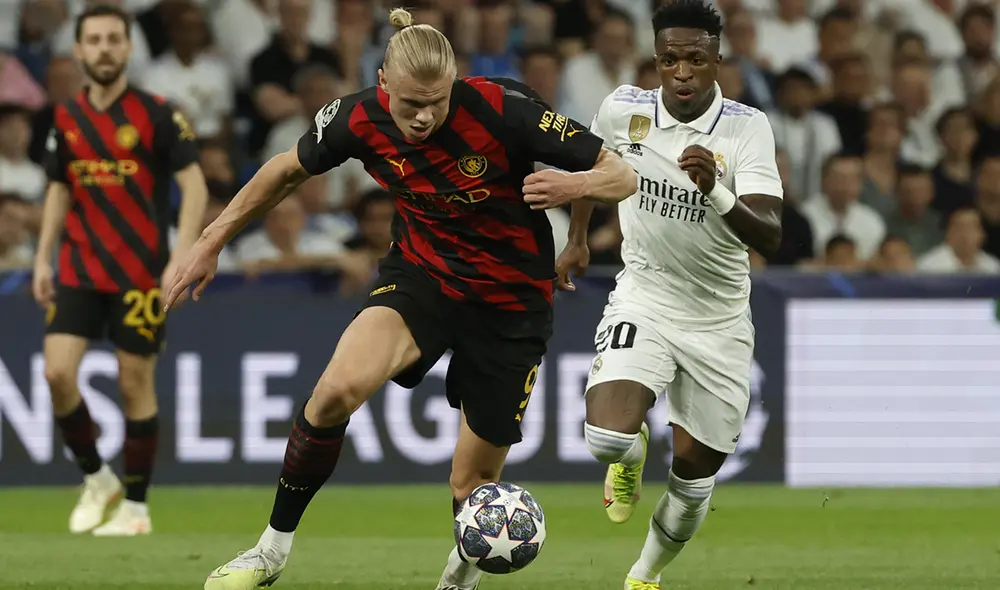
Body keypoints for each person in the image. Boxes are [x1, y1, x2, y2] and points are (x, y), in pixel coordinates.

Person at [161, 8, 637, 590]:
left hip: (512, 301)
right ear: (383, 83)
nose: (422, 116)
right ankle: (270, 551)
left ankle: (457, 582)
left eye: (436, 102)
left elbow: (618, 172)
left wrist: (577, 192)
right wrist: (210, 241)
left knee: (471, 486)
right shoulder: (357, 117)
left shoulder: (504, 109)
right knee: (335, 391)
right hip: (423, 277)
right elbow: (285, 172)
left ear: (454, 83)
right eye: (410, 103)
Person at [556, 2, 783, 589]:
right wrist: (578, 238)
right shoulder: (623, 108)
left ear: (717, 60)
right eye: (669, 60)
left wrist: (718, 192)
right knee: (606, 436)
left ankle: (643, 576)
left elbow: (773, 235)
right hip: (645, 294)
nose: (681, 72)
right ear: (655, 60)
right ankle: (628, 461)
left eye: (695, 59)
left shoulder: (745, 126)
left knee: (691, 479)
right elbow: (593, 166)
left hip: (719, 320)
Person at [32, 4, 208, 536]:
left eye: (114, 38)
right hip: (79, 268)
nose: (105, 48)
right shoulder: (65, 118)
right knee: (57, 373)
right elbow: (59, 188)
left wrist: (182, 254)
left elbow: (195, 185)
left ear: (129, 48)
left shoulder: (159, 113)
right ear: (80, 50)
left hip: (139, 273)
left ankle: (135, 508)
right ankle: (96, 477)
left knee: (136, 384)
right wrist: (42, 257)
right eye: (95, 40)